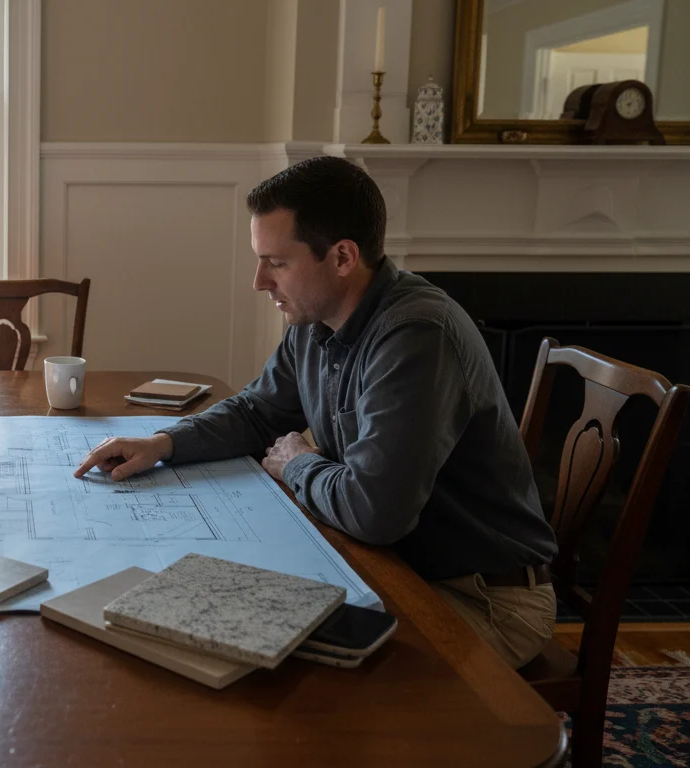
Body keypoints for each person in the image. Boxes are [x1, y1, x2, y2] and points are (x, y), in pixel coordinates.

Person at [74, 156, 558, 669]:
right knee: (220, 620)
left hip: (482, 599)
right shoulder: (315, 320)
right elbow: (259, 411)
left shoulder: (417, 335)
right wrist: (164, 443)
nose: (260, 281)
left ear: (344, 257)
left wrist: (297, 462)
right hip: (396, 567)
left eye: (277, 263)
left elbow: (375, 513)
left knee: (283, 672)